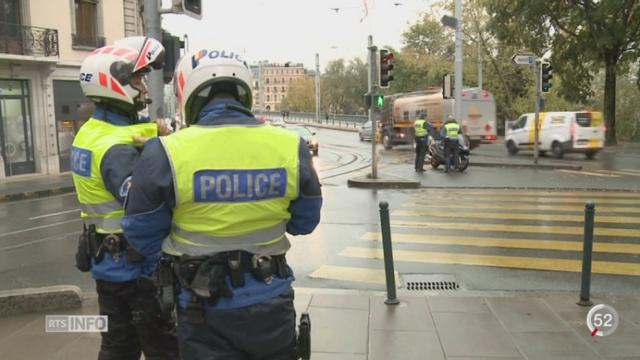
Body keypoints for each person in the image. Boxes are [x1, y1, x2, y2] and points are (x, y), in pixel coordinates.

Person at [122, 48, 323, 359]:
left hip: (201, 304)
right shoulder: (290, 146)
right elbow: (305, 223)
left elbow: (141, 234)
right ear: (244, 91)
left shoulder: (165, 152)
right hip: (271, 298)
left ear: (188, 93)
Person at [70, 36, 179, 360]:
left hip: (108, 264)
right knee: (164, 350)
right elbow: (142, 202)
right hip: (136, 271)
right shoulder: (116, 150)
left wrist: (157, 136)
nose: (144, 87)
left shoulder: (92, 131)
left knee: (117, 345)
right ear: (112, 83)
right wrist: (162, 154)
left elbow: (132, 133)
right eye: (136, 78)